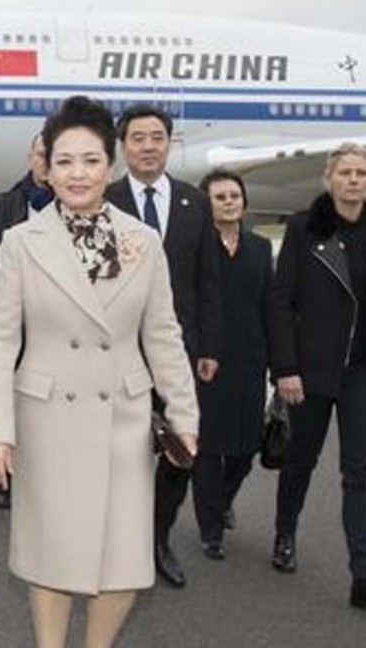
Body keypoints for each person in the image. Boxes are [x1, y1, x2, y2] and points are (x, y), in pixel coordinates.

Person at [0, 95, 198, 648]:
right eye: (65, 161)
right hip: (48, 417)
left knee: (123, 561)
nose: (78, 173)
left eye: (91, 160)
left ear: (110, 165)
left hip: (122, 418)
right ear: (46, 168)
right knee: (52, 557)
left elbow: (164, 334)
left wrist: (184, 414)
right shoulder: (19, 243)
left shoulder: (143, 241)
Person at [105, 104, 221, 588]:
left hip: (181, 353)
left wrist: (209, 347)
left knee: (179, 452)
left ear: (169, 143)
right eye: (138, 138)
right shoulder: (105, 200)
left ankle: (157, 538)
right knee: (121, 454)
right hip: (119, 353)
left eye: (157, 137)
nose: (148, 146)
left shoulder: (195, 202)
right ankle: (118, 542)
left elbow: (209, 281)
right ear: (123, 146)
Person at [269, 142, 366, 609]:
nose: (354, 180)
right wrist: (286, 368)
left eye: (361, 173)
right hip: (311, 370)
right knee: (299, 461)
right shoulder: (303, 228)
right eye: (345, 172)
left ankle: (361, 571)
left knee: (359, 471)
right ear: (329, 180)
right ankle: (285, 532)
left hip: (360, 371)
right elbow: (281, 301)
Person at [190, 170, 272, 560]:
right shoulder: (196, 247)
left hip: (251, 361)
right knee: (207, 449)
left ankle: (222, 500)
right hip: (208, 362)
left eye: (234, 195)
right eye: (219, 196)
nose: (228, 202)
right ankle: (210, 530)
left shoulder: (260, 248)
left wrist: (278, 360)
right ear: (207, 205)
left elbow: (270, 305)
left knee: (246, 447)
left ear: (244, 202)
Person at [0, 132, 52, 510]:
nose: (46, 162)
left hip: (57, 330)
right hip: (15, 329)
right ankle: (9, 479)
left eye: (54, 155)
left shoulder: (79, 206)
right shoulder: (4, 205)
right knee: (15, 408)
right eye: (41, 154)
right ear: (30, 157)